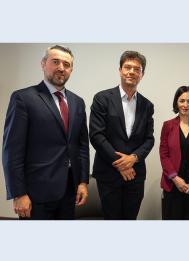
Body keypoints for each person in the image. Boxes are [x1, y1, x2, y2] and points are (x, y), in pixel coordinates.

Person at [2, 45, 89, 220]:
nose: (61, 68)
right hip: (36, 194)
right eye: (55, 62)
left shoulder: (77, 102)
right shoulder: (23, 98)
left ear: (71, 69)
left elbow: (81, 146)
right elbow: (12, 150)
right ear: (43, 64)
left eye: (66, 64)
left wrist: (83, 182)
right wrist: (19, 193)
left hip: (69, 190)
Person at [89, 50, 154, 220]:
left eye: (137, 69)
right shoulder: (102, 99)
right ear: (120, 70)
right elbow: (97, 135)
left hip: (135, 175)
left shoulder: (147, 105)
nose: (132, 72)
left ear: (142, 74)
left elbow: (149, 139)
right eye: (127, 67)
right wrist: (121, 164)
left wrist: (133, 158)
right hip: (108, 173)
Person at [159, 86, 189, 220]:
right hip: (173, 182)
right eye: (182, 101)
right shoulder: (167, 126)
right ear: (176, 102)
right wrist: (175, 178)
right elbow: (164, 155)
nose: (185, 105)